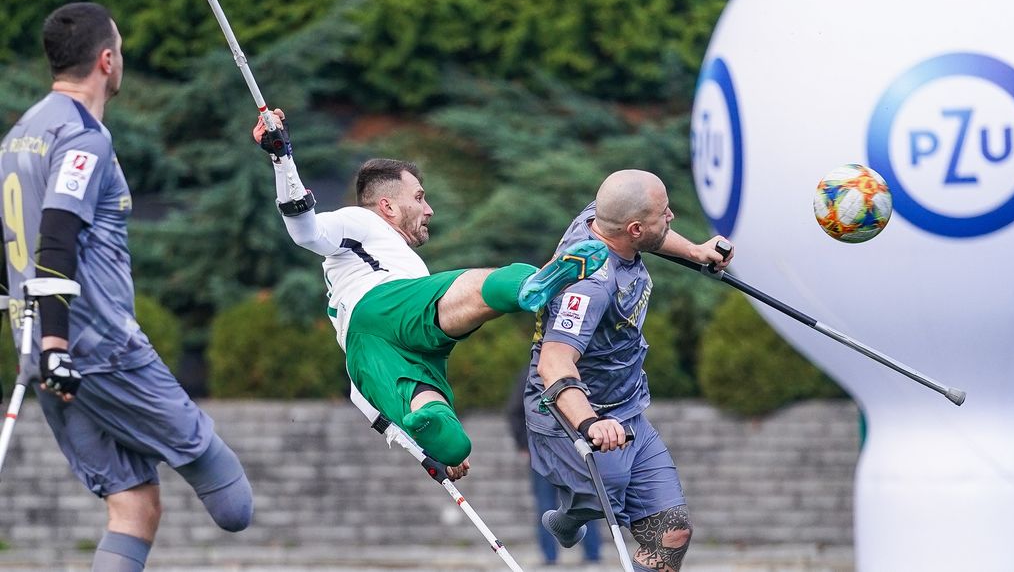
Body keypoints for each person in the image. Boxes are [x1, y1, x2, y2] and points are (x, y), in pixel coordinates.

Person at [0, 2, 253, 572]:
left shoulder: (20, 134)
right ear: (107, 60)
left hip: (42, 356)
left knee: (136, 507)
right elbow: (57, 232)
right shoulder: (83, 135)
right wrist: (57, 345)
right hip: (99, 351)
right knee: (235, 502)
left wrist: (38, 340)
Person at [252, 113, 608, 478]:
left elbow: (368, 406)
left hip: (370, 356)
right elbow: (306, 231)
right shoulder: (363, 221)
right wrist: (282, 158)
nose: (429, 209)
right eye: (419, 197)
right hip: (385, 306)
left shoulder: (393, 260)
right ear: (387, 205)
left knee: (452, 441)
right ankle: (528, 284)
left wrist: (424, 451)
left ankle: (439, 433)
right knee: (467, 293)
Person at [524, 169, 732, 572]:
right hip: (573, 415)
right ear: (634, 229)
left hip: (628, 409)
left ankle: (573, 516)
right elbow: (553, 361)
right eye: (663, 213)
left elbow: (649, 231)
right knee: (605, 491)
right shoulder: (590, 285)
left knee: (672, 533)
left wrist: (696, 251)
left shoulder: (600, 217)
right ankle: (571, 517)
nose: (671, 215)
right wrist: (590, 423)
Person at [506, 370, 601, 566]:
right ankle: (557, 556)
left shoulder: (536, 372)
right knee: (565, 503)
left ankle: (587, 554)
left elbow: (514, 411)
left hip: (571, 453)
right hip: (552, 453)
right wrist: (525, 444)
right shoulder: (535, 374)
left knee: (580, 503)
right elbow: (515, 412)